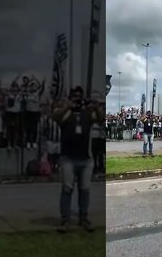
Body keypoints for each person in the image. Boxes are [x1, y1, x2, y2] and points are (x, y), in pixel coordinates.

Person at [53, 86, 103, 233]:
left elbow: (100, 119)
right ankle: (65, 220)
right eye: (74, 96)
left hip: (85, 159)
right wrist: (68, 106)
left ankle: (83, 218)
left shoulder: (87, 113)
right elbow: (55, 116)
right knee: (67, 189)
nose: (77, 99)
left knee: (85, 190)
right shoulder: (66, 113)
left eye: (79, 96)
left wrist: (95, 107)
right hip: (68, 158)